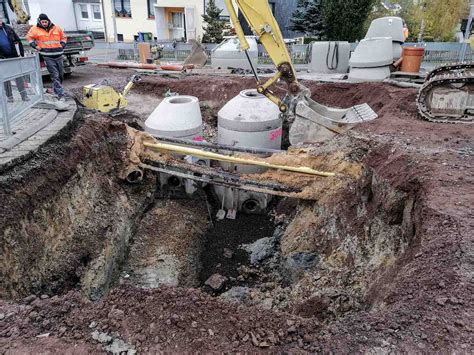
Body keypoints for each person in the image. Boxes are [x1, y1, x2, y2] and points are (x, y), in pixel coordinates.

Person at [26, 14, 67, 100]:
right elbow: (29, 38)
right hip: (48, 56)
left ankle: (56, 91)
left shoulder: (56, 28)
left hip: (59, 54)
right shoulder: (35, 29)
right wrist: (35, 46)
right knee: (55, 76)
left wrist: (62, 45)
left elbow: (63, 37)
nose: (44, 23)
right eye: (43, 22)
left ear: (48, 21)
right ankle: (61, 94)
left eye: (46, 22)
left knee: (60, 75)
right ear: (39, 21)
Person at [0, 14, 29, 102]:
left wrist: (21, 54)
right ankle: (10, 97)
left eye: (0, 19)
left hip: (14, 56)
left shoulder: (8, 28)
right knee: (6, 78)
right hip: (3, 59)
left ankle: (24, 95)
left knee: (19, 76)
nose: (0, 22)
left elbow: (18, 40)